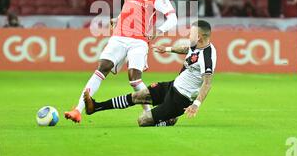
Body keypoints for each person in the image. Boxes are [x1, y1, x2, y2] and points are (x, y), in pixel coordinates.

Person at [64, 0, 178, 123]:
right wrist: (118, 19)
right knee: (102, 67)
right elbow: (129, 7)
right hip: (119, 36)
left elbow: (173, 19)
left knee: (134, 78)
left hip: (139, 41)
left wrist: (158, 30)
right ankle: (78, 109)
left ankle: (150, 113)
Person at [83, 21, 216, 127]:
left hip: (181, 99)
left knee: (143, 121)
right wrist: (168, 49)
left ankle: (168, 121)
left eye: (191, 34)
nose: (189, 36)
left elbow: (207, 83)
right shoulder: (196, 45)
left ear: (199, 37)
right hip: (173, 86)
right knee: (137, 96)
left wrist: (196, 104)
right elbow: (187, 48)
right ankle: (95, 107)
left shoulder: (207, 57)